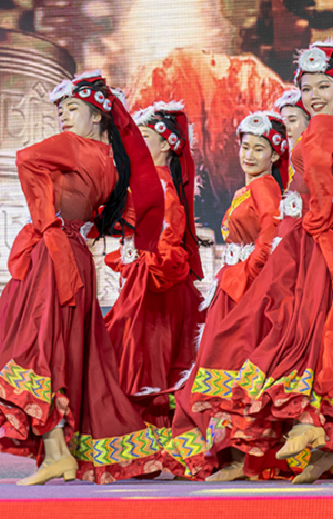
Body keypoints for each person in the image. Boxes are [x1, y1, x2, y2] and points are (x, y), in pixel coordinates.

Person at [189, 40, 333, 483]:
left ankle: (304, 426)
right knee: (311, 329)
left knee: (299, 328)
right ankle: (321, 445)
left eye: (323, 87)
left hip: (312, 241)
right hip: (312, 238)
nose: (314, 95)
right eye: (308, 87)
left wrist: (315, 215)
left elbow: (317, 170)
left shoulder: (326, 126)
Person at [0, 72, 167, 484]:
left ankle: (58, 452)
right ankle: (59, 453)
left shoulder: (74, 146)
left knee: (35, 346)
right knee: (60, 350)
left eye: (72, 108)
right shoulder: (114, 162)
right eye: (61, 110)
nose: (64, 116)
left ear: (98, 115)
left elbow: (26, 158)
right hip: (76, 257)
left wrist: (46, 220)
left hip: (53, 256)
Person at [168, 111, 287, 480]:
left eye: (259, 148)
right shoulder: (246, 190)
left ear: (275, 154)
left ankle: (240, 457)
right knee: (221, 367)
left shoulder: (265, 186)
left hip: (245, 291)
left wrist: (250, 274)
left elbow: (272, 233)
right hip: (233, 287)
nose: (249, 155)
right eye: (245, 147)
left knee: (230, 364)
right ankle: (232, 454)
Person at [103, 101, 205, 428]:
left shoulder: (160, 185)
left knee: (147, 356)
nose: (137, 145)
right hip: (144, 277)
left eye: (144, 138)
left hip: (155, 283)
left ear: (164, 145)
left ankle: (149, 432)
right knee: (142, 354)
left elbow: (167, 234)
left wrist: (144, 263)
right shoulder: (148, 183)